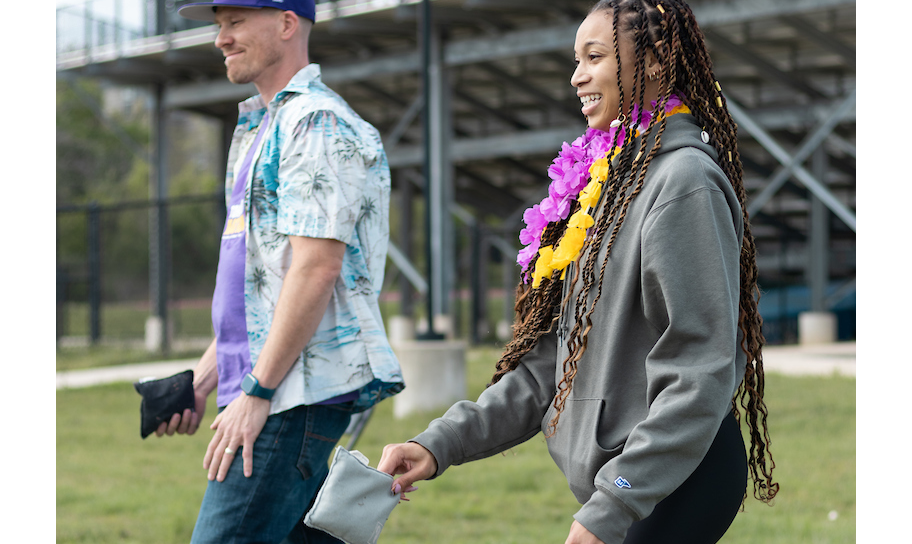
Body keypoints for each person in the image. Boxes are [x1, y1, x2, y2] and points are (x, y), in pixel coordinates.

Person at [377, 1, 778, 543]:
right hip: (628, 479)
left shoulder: (683, 183)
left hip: (675, 477)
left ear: (656, 61)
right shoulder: (607, 183)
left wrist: (612, 503)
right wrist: (438, 443)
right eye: (576, 59)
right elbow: (551, 366)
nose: (576, 76)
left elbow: (698, 371)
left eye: (595, 57)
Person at [156, 1, 404, 542]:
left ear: (287, 23)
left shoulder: (317, 123)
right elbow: (264, 284)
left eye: (235, 22)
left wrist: (257, 391)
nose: (220, 38)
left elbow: (316, 269)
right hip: (275, 386)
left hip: (291, 396)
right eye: (219, 24)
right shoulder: (264, 125)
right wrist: (201, 382)